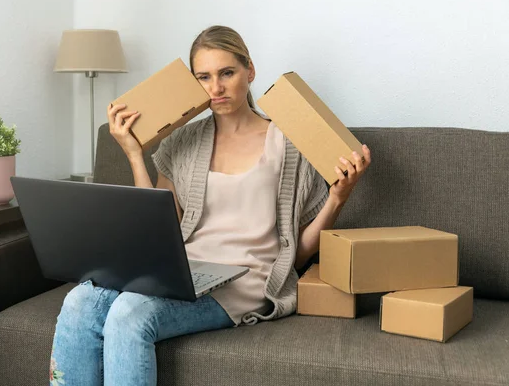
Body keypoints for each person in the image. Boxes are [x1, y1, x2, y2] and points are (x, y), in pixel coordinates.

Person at [49, 25, 372, 386]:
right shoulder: (182, 142)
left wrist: (338, 198)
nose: (216, 88)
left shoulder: (289, 144)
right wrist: (135, 156)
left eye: (227, 73)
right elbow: (159, 230)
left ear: (250, 70)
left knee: (129, 313)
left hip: (248, 281)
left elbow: (296, 252)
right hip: (185, 273)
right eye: (204, 77)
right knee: (81, 301)